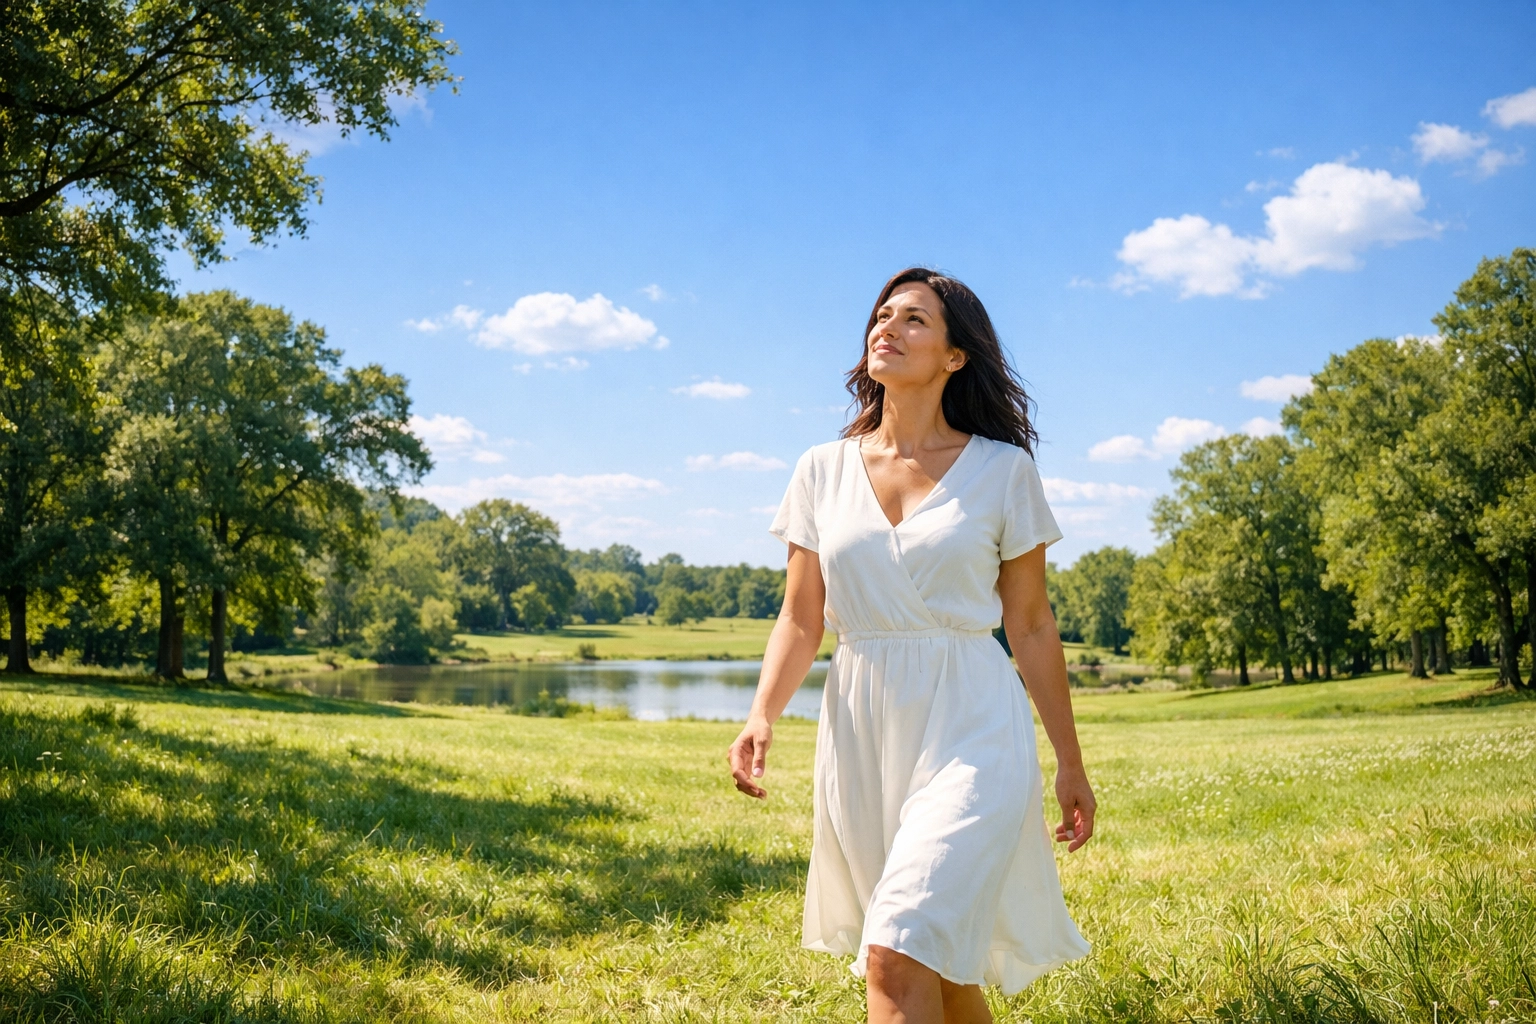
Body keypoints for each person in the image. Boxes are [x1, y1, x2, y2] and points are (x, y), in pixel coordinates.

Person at [727, 268, 1094, 1023]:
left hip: (974, 722)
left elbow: (1028, 624)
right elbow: (802, 617)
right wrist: (762, 712)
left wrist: (1069, 761)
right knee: (944, 972)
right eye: (881, 316)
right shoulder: (821, 470)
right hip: (865, 727)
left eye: (915, 320)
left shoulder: (1004, 471)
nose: (886, 328)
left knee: (897, 952)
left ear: (955, 356)